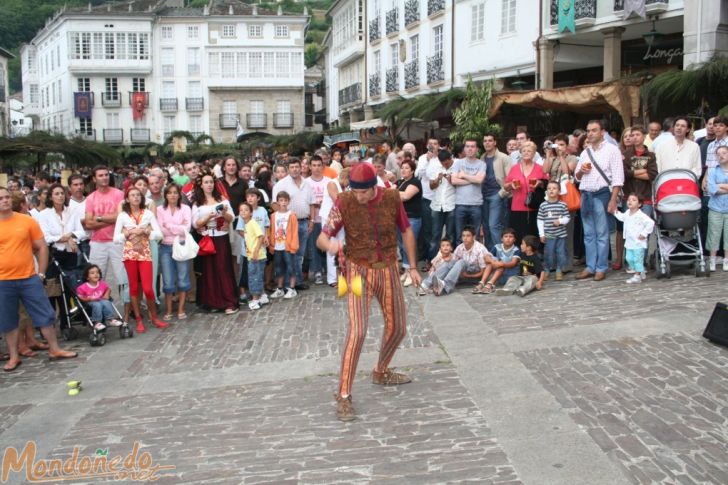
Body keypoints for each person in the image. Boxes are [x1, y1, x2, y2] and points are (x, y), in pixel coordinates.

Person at [317, 162, 421, 422]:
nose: (358, 196)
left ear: (373, 187)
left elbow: (406, 230)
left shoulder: (391, 198)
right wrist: (330, 245)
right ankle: (343, 395)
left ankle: (380, 370)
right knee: (358, 331)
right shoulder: (344, 201)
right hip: (356, 271)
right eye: (354, 191)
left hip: (387, 267)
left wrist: (414, 266)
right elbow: (323, 236)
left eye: (362, 192)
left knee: (398, 328)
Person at [0, 187, 78, 372]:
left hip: (28, 277)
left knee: (45, 315)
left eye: (7, 197)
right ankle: (13, 356)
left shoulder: (26, 221)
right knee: (8, 320)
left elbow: (41, 247)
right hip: (3, 280)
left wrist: (41, 273)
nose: (4, 200)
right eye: (1, 198)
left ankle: (55, 349)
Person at [574, 120, 625, 281]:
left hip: (602, 194)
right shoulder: (585, 153)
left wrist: (613, 199)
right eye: (588, 131)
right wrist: (581, 171)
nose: (590, 133)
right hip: (586, 194)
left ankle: (601, 267)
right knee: (588, 234)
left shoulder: (612, 150)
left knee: (602, 234)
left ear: (602, 132)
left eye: (593, 130)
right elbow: (576, 177)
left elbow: (618, 178)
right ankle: (590, 266)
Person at [113, 187, 167, 333]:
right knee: (134, 288)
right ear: (127, 198)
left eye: (138, 195)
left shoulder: (148, 214)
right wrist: (127, 233)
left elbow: (159, 234)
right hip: (130, 254)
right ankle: (138, 319)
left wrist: (147, 231)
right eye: (132, 195)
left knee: (148, 288)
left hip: (145, 253)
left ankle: (153, 317)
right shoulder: (123, 216)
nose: (136, 198)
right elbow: (115, 238)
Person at [192, 171, 239, 314]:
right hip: (206, 238)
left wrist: (223, 213)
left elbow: (231, 218)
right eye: (206, 182)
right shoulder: (197, 203)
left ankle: (228, 302)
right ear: (201, 185)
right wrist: (207, 218)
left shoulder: (223, 200)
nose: (209, 185)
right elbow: (195, 224)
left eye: (211, 182)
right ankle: (212, 301)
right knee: (208, 271)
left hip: (220, 237)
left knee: (223, 268)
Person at [616, 126, 657, 271]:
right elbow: (624, 174)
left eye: (637, 134)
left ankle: (641, 262)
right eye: (632, 135)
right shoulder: (625, 155)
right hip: (629, 197)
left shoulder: (650, 155)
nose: (634, 137)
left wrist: (634, 172)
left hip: (645, 198)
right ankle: (630, 263)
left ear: (643, 136)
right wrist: (641, 171)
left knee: (642, 232)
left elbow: (652, 174)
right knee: (630, 231)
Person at [272, 158, 314, 291]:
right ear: (288, 169)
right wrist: (284, 219)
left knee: (299, 254)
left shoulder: (307, 184)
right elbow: (274, 204)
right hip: (287, 225)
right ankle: (286, 283)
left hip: (303, 222)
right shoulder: (281, 184)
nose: (295, 169)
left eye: (297, 167)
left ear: (301, 168)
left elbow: (312, 203)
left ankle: (297, 282)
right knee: (288, 254)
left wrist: (312, 221)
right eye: (292, 167)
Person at [84, 166, 126, 294]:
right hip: (97, 242)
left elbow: (121, 217)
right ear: (94, 179)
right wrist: (111, 219)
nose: (104, 178)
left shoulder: (119, 194)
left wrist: (99, 218)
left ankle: (126, 309)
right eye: (100, 175)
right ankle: (99, 308)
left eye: (106, 175)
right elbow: (88, 224)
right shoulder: (90, 198)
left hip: (117, 241)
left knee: (123, 277)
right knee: (95, 277)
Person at [542, 133, 578, 272]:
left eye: (562, 145)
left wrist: (562, 156)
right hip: (552, 197)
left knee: (567, 232)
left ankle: (566, 264)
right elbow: (544, 171)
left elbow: (567, 172)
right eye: (557, 145)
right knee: (552, 231)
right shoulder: (552, 158)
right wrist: (548, 153)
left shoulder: (572, 157)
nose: (559, 148)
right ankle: (553, 263)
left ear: (567, 146)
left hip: (565, 198)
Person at [156, 184, 192, 320]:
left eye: (175, 192)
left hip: (181, 245)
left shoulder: (185, 208)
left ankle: (181, 309)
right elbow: (161, 230)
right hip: (165, 246)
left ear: (179, 194)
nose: (172, 195)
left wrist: (169, 226)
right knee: (168, 279)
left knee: (182, 278)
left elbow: (186, 229)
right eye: (169, 193)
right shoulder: (160, 209)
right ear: (165, 195)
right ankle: (169, 310)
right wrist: (177, 227)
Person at [504, 141, 547, 243]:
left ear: (534, 153)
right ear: (520, 153)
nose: (526, 153)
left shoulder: (539, 168)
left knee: (532, 237)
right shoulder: (514, 168)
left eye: (529, 151)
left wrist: (539, 183)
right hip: (517, 206)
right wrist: (511, 185)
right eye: (524, 151)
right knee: (517, 236)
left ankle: (532, 258)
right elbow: (505, 186)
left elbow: (546, 184)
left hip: (533, 207)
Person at [428, 226, 491, 296]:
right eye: (463, 236)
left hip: (475, 274)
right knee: (450, 262)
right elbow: (451, 265)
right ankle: (426, 284)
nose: (465, 238)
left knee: (461, 262)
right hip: (462, 275)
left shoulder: (480, 248)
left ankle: (445, 285)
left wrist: (467, 276)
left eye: (468, 236)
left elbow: (482, 272)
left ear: (473, 237)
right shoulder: (460, 248)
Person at [611, 194, 655, 283]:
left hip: (638, 242)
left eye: (634, 200)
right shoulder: (627, 213)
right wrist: (615, 212)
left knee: (637, 259)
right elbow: (622, 217)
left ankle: (637, 276)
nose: (630, 201)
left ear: (639, 204)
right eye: (629, 199)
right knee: (629, 258)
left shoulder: (641, 215)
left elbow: (650, 223)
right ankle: (640, 270)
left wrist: (644, 233)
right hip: (629, 242)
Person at [451, 139, 486, 246]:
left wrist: (464, 175)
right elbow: (454, 180)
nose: (470, 149)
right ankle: (460, 260)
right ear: (464, 149)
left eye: (472, 146)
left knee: (475, 236)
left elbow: (480, 180)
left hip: (476, 205)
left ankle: (475, 259)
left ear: (477, 149)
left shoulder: (481, 164)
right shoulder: (458, 163)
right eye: (467, 146)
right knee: (459, 235)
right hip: (460, 203)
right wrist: (473, 179)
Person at [479, 133, 511, 251]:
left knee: (494, 226)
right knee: (486, 227)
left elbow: (510, 179)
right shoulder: (482, 157)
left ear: (495, 142)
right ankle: (490, 255)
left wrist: (500, 194)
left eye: (490, 140)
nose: (487, 143)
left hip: (497, 195)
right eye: (485, 141)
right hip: (483, 196)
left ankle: (501, 254)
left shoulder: (504, 158)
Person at [320, 168, 350, 286]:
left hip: (340, 219)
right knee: (332, 246)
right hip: (329, 219)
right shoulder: (332, 183)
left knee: (342, 246)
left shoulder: (344, 186)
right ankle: (332, 279)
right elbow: (338, 200)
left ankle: (342, 275)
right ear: (345, 178)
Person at [269, 191, 300, 300]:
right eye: (281, 200)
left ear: (288, 202)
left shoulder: (291, 215)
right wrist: (271, 244)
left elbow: (295, 231)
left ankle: (292, 288)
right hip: (277, 246)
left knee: (291, 267)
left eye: (285, 200)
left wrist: (293, 246)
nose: (283, 203)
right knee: (279, 268)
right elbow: (271, 230)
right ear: (277, 202)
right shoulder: (273, 216)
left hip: (288, 247)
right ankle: (280, 288)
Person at [426, 149, 456, 261]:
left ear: (450, 159)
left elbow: (460, 186)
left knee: (450, 235)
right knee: (435, 235)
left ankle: (449, 261)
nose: (444, 165)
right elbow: (431, 186)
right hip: (437, 205)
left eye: (447, 163)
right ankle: (432, 261)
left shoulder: (457, 166)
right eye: (442, 163)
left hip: (451, 205)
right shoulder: (436, 167)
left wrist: (451, 180)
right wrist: (437, 179)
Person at [537, 181, 570, 281]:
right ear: (546, 191)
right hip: (549, 235)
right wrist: (541, 234)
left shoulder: (563, 205)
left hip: (561, 235)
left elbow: (567, 218)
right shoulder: (543, 205)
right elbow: (540, 220)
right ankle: (547, 269)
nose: (551, 190)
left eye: (554, 188)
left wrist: (560, 221)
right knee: (549, 253)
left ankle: (559, 269)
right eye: (549, 188)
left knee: (561, 253)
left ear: (559, 191)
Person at [397, 159, 422, 286]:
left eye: (407, 168)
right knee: (402, 246)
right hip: (400, 218)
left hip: (412, 218)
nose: (403, 170)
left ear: (412, 170)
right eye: (402, 167)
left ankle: (411, 271)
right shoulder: (401, 182)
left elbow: (406, 196)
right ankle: (406, 270)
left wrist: (393, 192)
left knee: (409, 245)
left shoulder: (415, 182)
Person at [473, 228, 521, 294]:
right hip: (498, 276)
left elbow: (513, 263)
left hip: (510, 277)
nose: (508, 239)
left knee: (501, 264)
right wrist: (494, 262)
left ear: (514, 239)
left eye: (511, 237)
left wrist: (501, 264)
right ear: (501, 239)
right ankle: (482, 283)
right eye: (506, 236)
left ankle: (490, 285)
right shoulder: (497, 247)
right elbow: (486, 257)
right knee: (490, 262)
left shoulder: (516, 250)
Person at [307, 156, 331, 285]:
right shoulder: (306, 183)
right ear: (310, 167)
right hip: (314, 219)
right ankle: (317, 271)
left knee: (327, 245)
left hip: (326, 219)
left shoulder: (329, 181)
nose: (316, 168)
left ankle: (329, 269)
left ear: (323, 166)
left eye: (319, 165)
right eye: (314, 165)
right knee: (315, 245)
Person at [238, 202, 267, 310]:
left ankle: (255, 299)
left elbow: (260, 236)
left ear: (251, 212)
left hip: (256, 256)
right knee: (257, 276)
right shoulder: (246, 224)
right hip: (252, 255)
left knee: (254, 277)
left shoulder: (252, 223)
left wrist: (255, 251)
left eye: (246, 210)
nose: (243, 212)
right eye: (241, 210)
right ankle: (261, 296)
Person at [76, 264, 122, 330]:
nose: (96, 274)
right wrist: (87, 299)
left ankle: (111, 319)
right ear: (87, 277)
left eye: (97, 272)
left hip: (101, 300)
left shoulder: (101, 283)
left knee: (107, 302)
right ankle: (97, 322)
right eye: (92, 273)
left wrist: (107, 294)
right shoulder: (83, 287)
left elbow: (108, 289)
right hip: (90, 302)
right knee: (97, 305)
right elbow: (80, 296)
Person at [706, 146, 728, 271]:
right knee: (713, 233)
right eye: (718, 154)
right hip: (715, 207)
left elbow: (716, 187)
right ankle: (713, 259)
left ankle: (726, 260)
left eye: (724, 153)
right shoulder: (713, 171)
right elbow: (712, 189)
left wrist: (721, 185)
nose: (721, 155)